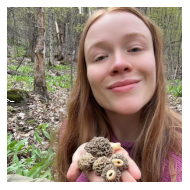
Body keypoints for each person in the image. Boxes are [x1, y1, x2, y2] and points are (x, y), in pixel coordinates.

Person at [55, 7, 182, 182]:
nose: (119, 63)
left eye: (135, 49)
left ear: (156, 60)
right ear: (86, 76)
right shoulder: (71, 131)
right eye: (100, 57)